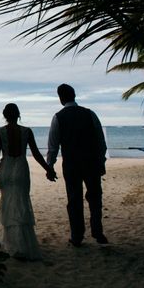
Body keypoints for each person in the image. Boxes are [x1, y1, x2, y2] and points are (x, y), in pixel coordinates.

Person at [0, 103, 56, 261]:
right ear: (18, 115)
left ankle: (12, 243)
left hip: (5, 170)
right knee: (21, 203)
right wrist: (48, 169)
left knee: (8, 203)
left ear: (5, 115)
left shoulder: (0, 132)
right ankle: (23, 243)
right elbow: (37, 154)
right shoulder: (26, 131)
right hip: (21, 170)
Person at [47, 84, 108, 247]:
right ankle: (97, 231)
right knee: (95, 197)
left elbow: (53, 146)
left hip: (71, 164)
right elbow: (101, 141)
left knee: (74, 199)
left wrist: (50, 166)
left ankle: (77, 235)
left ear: (61, 98)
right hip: (91, 162)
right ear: (74, 95)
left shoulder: (58, 117)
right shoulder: (90, 114)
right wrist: (101, 161)